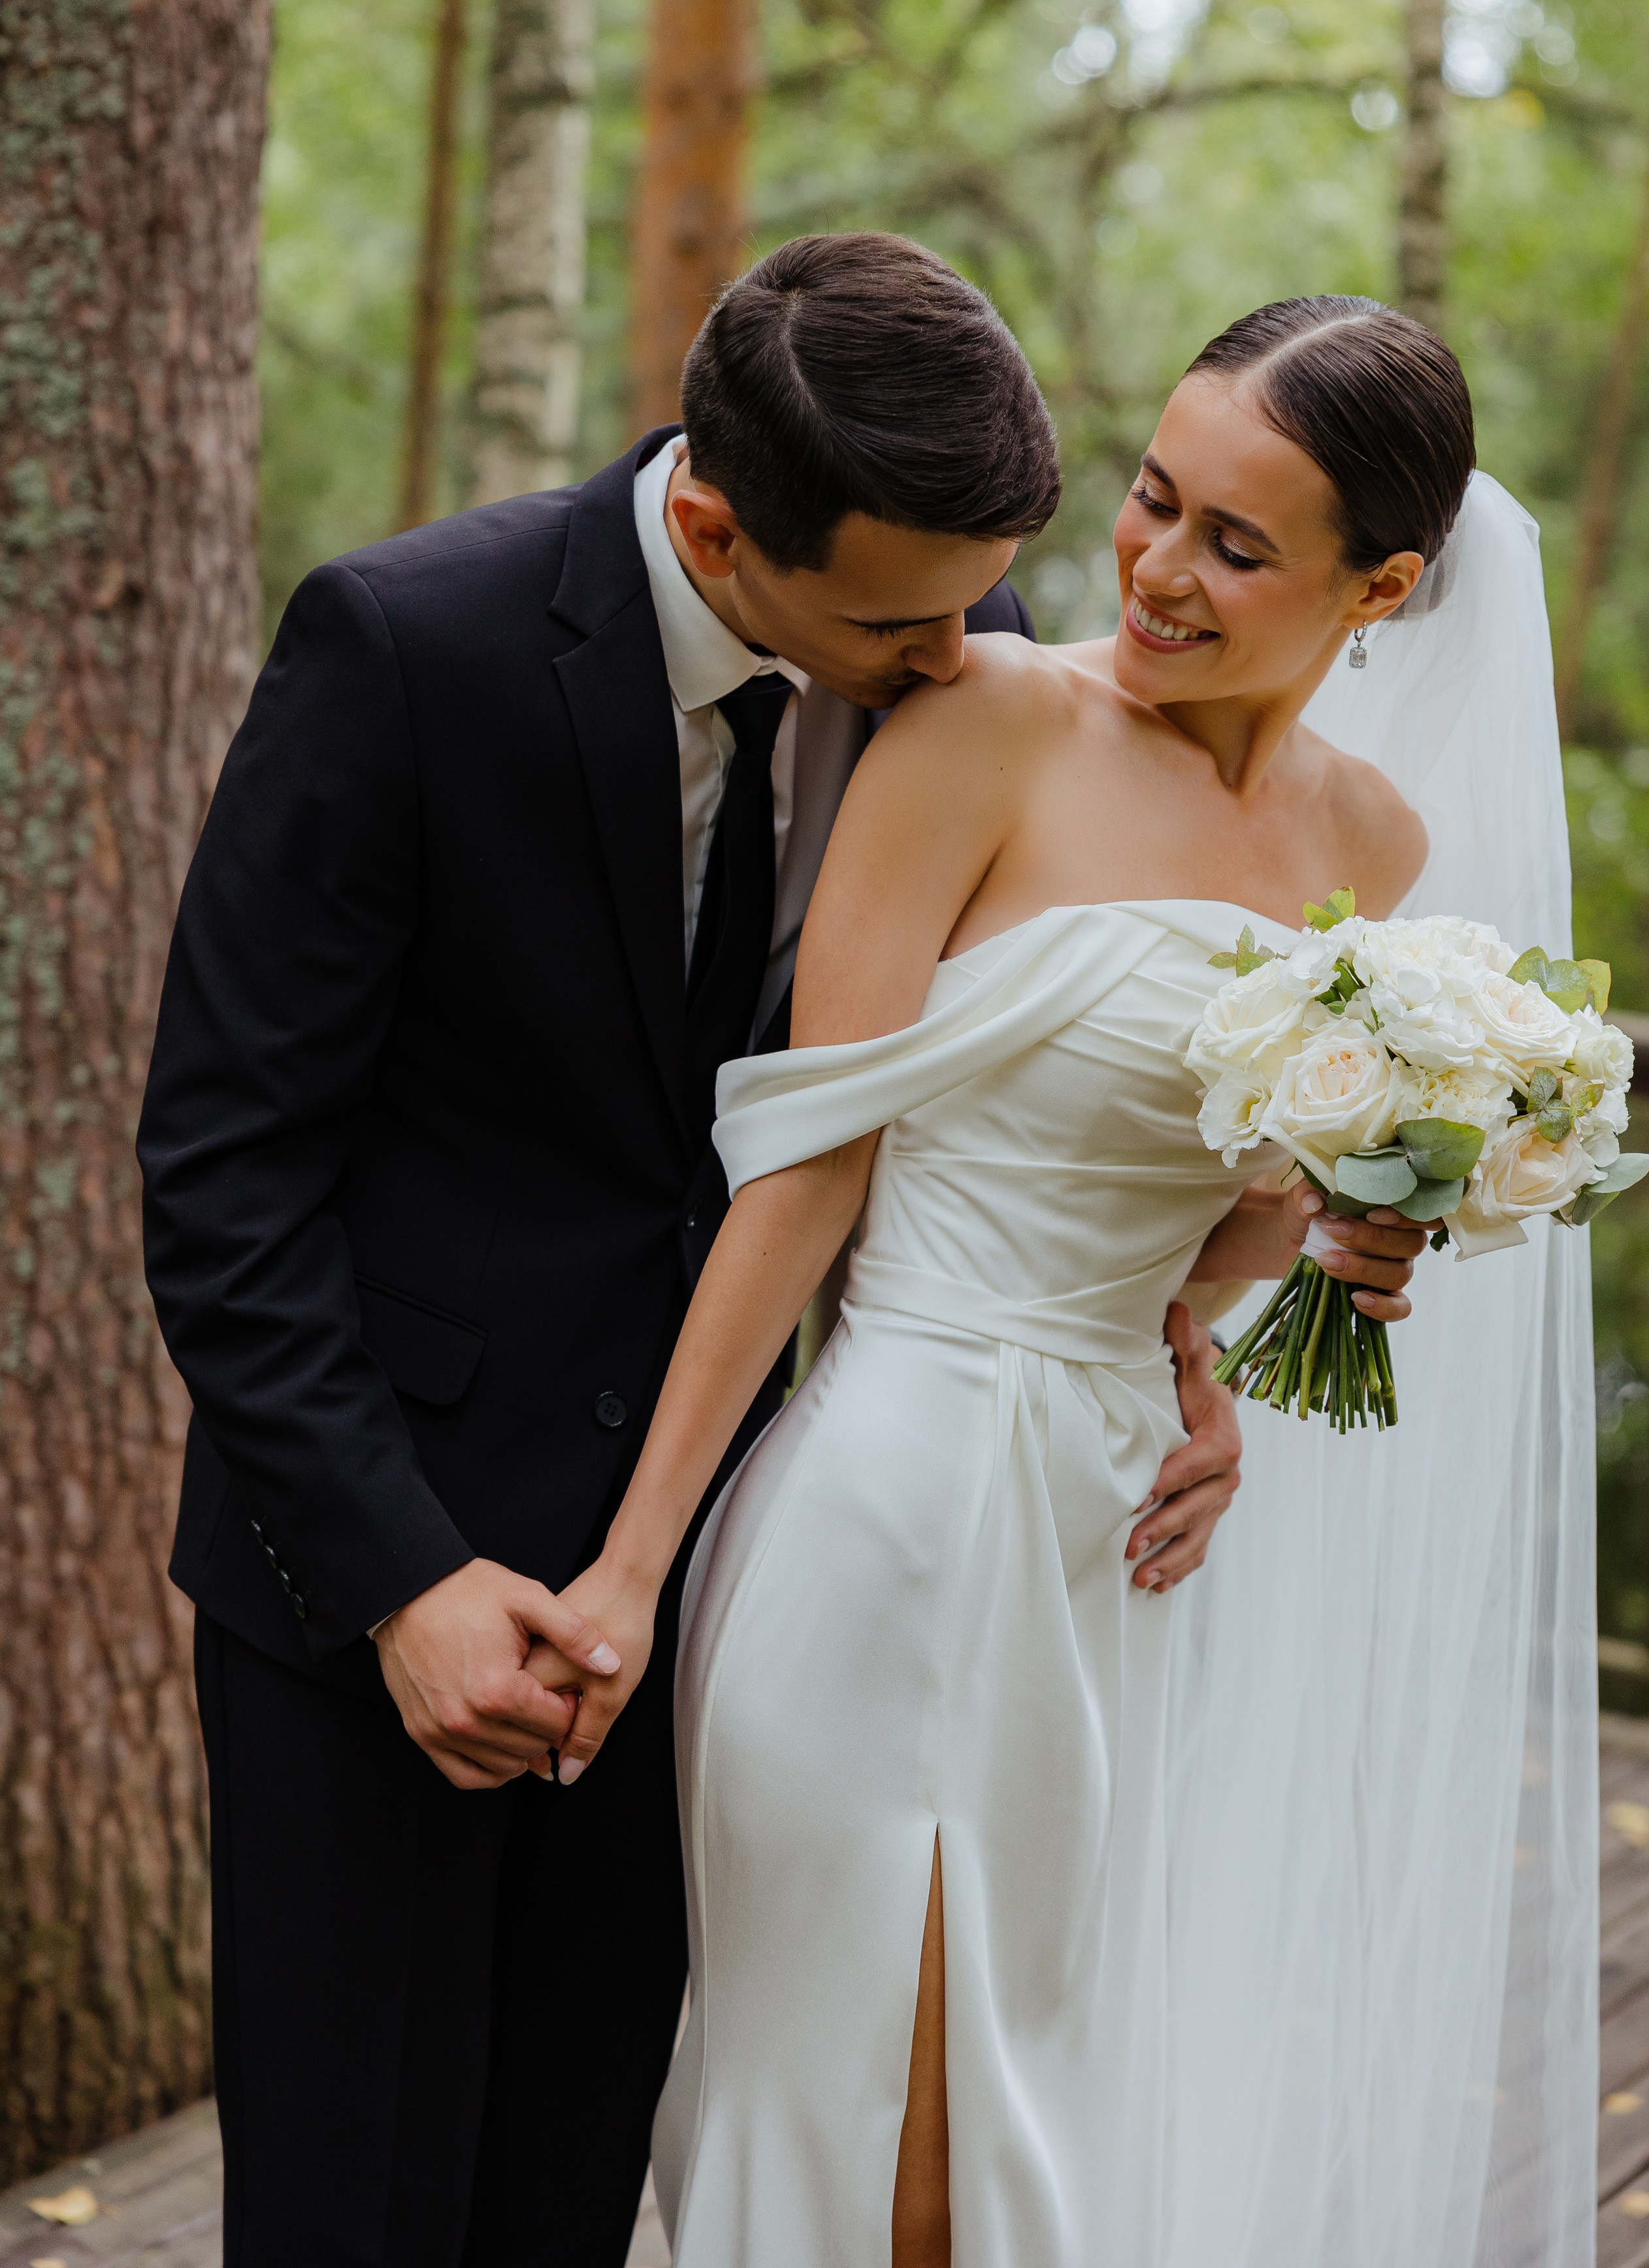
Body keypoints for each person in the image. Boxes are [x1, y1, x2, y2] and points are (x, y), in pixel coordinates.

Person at [136, 235, 1300, 2267]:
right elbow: (227, 1176)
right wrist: (403, 1582)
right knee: (352, 2206)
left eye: (977, 600)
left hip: (716, 1580)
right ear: (711, 522)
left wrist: (1188, 1356)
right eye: (899, 620)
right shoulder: (410, 646)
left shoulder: (958, 638)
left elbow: (966, 1100)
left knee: (570, 2190)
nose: (963, 656)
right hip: (378, 1565)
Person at [535, 297, 1588, 2267]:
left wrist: (1324, 1264)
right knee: (870, 2138)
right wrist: (629, 1562)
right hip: (896, 1502)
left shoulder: (1379, 840)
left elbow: (1234, 1218)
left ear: (1386, 585)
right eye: (1156, 498)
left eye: (1238, 544)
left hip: (1113, 1537)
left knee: (1019, 2113)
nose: (1160, 570)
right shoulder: (987, 729)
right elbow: (808, 1165)